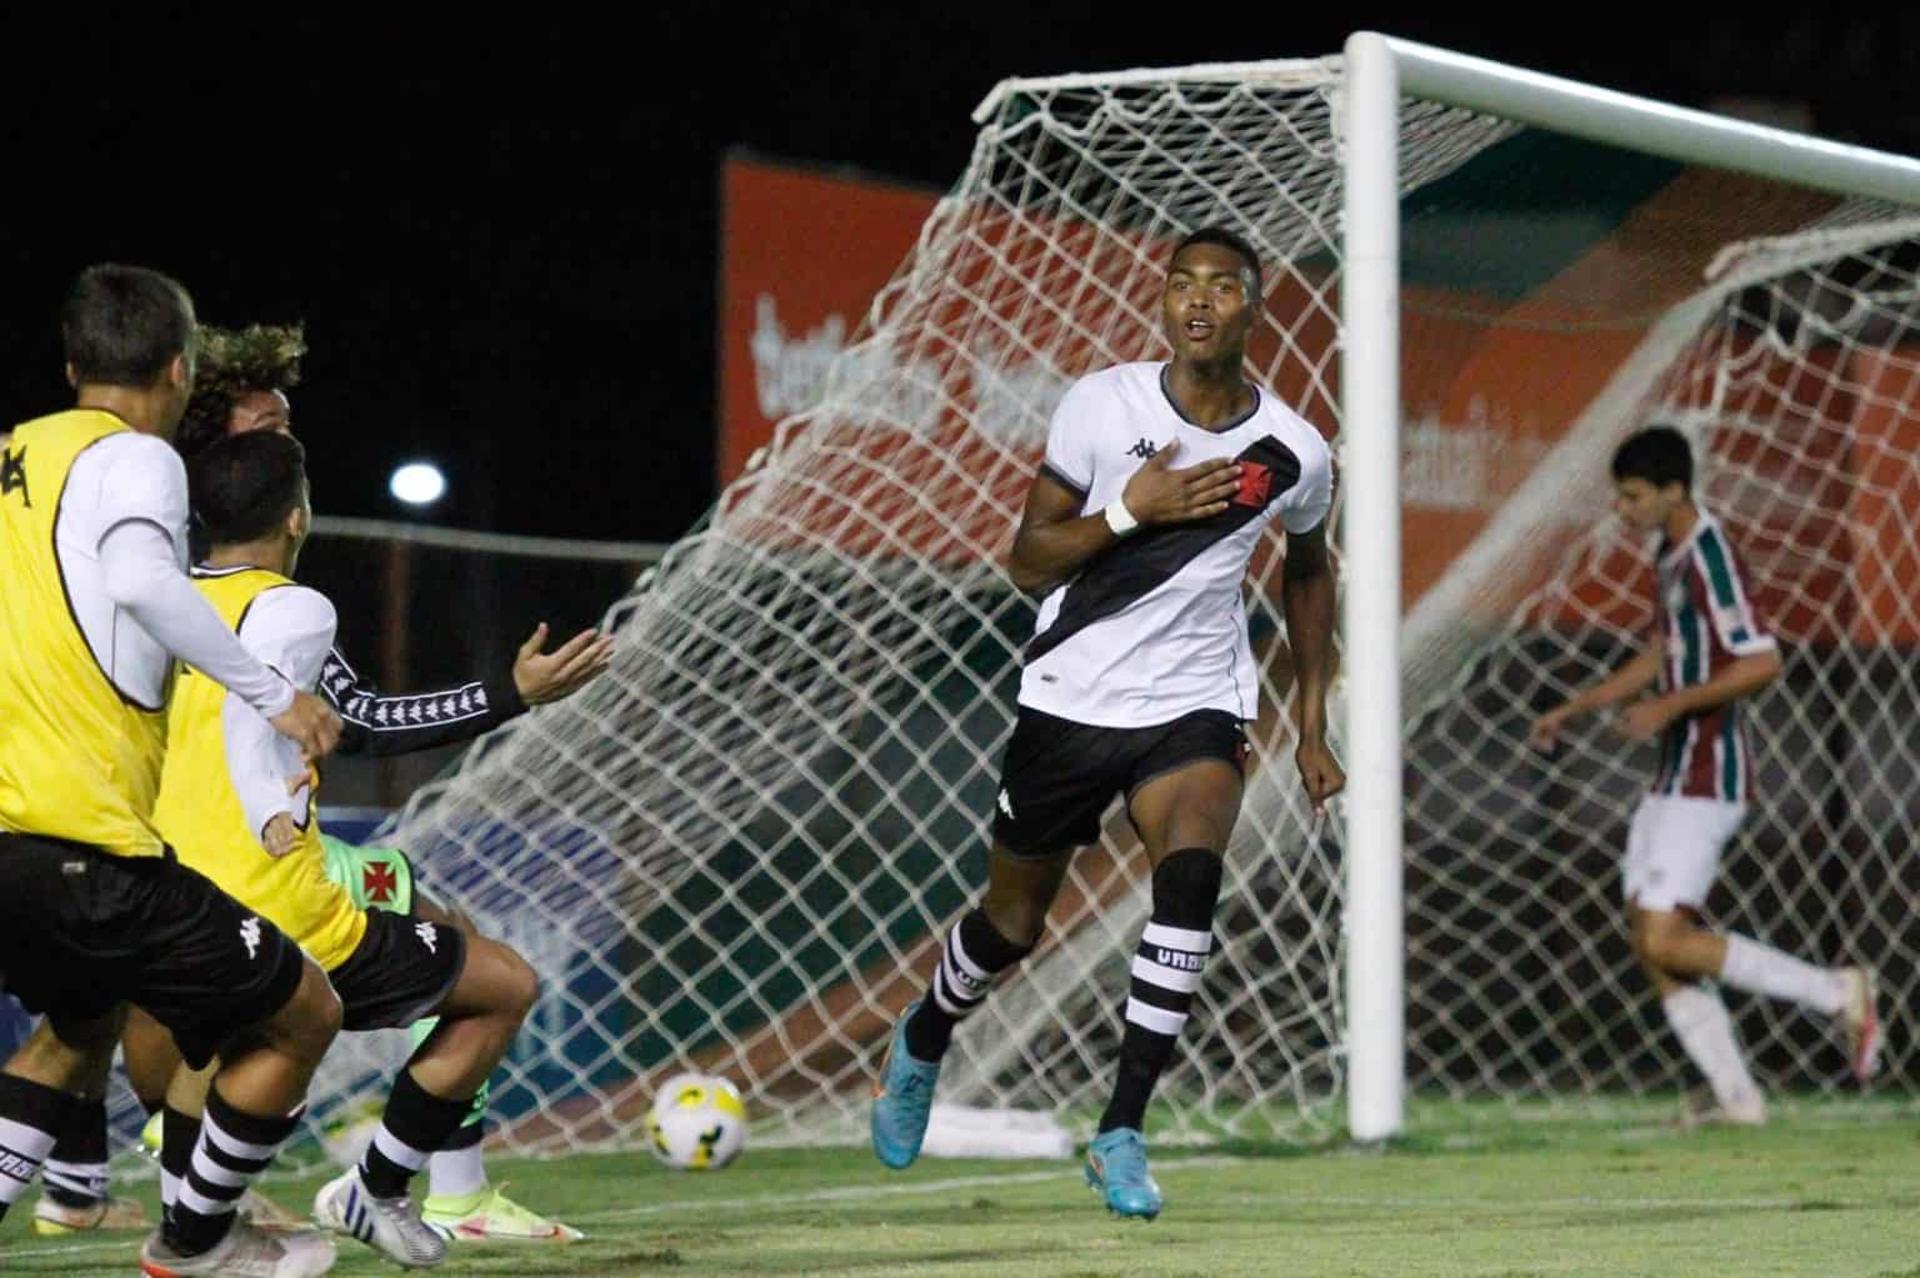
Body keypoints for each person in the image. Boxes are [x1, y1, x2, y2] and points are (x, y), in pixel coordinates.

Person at [36, 323, 608, 1244]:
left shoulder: (147, 564)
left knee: (428, 928)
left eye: (290, 433)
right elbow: (361, 718)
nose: (291, 448)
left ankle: (409, 1193)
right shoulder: (207, 577)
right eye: (272, 431)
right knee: (147, 1034)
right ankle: (205, 1196)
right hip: (191, 859)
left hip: (166, 859)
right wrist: (507, 694)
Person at [869, 227, 1341, 1219]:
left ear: (1256, 310)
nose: (1198, 302)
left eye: (1221, 288)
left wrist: (1309, 720)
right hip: (1070, 703)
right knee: (1012, 925)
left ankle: (1121, 1129)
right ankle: (924, 1034)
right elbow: (1029, 562)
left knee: (1192, 880)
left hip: (1196, 706)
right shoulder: (1102, 404)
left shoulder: (1295, 451)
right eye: (1181, 286)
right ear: (1164, 304)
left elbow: (1309, 569)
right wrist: (1135, 509)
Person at [0, 263, 344, 1277]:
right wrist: (271, 691)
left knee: (73, 1032)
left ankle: (147, 1215)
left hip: (13, 830)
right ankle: (197, 1239)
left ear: (72, 362)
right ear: (180, 366)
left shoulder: (17, 454)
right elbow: (144, 580)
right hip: (88, 837)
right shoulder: (137, 458)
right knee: (304, 1010)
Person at [148, 429, 544, 1268]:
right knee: (504, 985)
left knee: (190, 1052)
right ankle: (363, 1192)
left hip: (166, 899)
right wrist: (509, 693)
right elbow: (350, 722)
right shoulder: (296, 607)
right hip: (282, 902)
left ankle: (184, 1219)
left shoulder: (158, 605)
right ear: (296, 517)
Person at [1530, 425, 1879, 1124]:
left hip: (1710, 776)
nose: (1622, 511)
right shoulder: (1671, 553)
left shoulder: (1711, 554)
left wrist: (1670, 706)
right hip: (1675, 775)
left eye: (1632, 497)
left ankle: (1838, 994)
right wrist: (1576, 707)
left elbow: (1762, 661)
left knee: (1663, 936)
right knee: (1649, 938)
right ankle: (1736, 1098)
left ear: (1672, 491)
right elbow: (1665, 649)